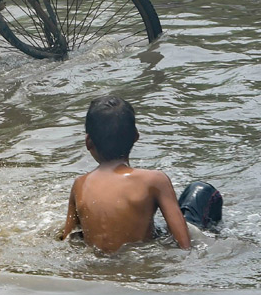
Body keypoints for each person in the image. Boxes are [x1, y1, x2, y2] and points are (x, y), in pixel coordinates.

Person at [59, 95, 223, 253]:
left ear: (88, 142)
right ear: (136, 136)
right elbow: (184, 244)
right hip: (141, 258)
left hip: (100, 263)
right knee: (201, 190)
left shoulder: (80, 184)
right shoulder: (155, 180)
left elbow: (68, 238)